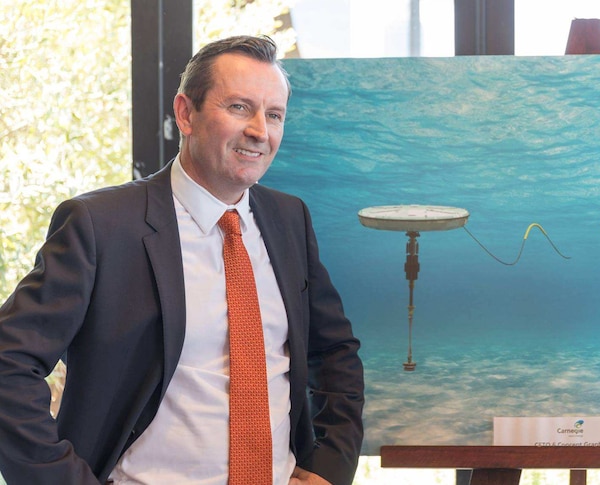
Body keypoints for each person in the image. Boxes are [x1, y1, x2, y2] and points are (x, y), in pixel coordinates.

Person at [0, 35, 364, 485]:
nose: (259, 131)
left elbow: (336, 353)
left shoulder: (289, 219)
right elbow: (8, 363)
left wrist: (329, 467)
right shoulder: (100, 226)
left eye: (274, 115)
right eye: (239, 107)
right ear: (186, 113)